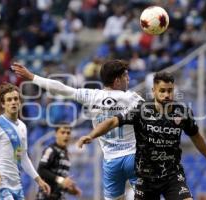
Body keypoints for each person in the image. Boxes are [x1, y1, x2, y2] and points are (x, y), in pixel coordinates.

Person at [77, 72, 206, 200]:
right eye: (162, 91)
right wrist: (92, 135)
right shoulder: (141, 110)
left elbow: (197, 138)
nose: (166, 95)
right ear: (154, 90)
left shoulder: (182, 112)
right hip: (145, 179)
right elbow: (112, 122)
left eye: (170, 90)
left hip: (172, 175)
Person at [12, 60, 144, 200]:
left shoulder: (92, 96)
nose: (128, 79)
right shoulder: (132, 98)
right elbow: (153, 113)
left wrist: (33, 77)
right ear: (117, 81)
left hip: (111, 161)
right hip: (133, 157)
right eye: (125, 76)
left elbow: (60, 88)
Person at [0, 83, 50, 199]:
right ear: (3, 104)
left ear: (20, 102)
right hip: (0, 184)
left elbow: (23, 157)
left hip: (16, 184)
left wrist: (38, 180)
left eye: (16, 99)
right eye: (9, 100)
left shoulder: (22, 127)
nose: (13, 102)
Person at [36, 123, 82, 200]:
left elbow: (59, 180)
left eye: (68, 133)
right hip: (46, 196)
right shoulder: (51, 150)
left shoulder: (66, 153)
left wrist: (69, 189)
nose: (66, 135)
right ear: (56, 134)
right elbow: (41, 170)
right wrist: (61, 180)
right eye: (63, 132)